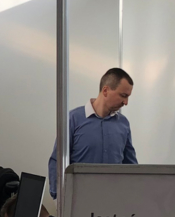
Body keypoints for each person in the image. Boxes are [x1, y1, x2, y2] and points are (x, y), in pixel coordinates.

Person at [48, 67, 137, 199]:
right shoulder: (73, 119)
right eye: (123, 96)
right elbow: (57, 160)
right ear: (105, 91)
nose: (126, 102)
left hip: (114, 200)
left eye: (128, 97)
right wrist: (58, 197)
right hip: (79, 200)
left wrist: (135, 194)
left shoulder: (123, 124)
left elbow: (131, 165)